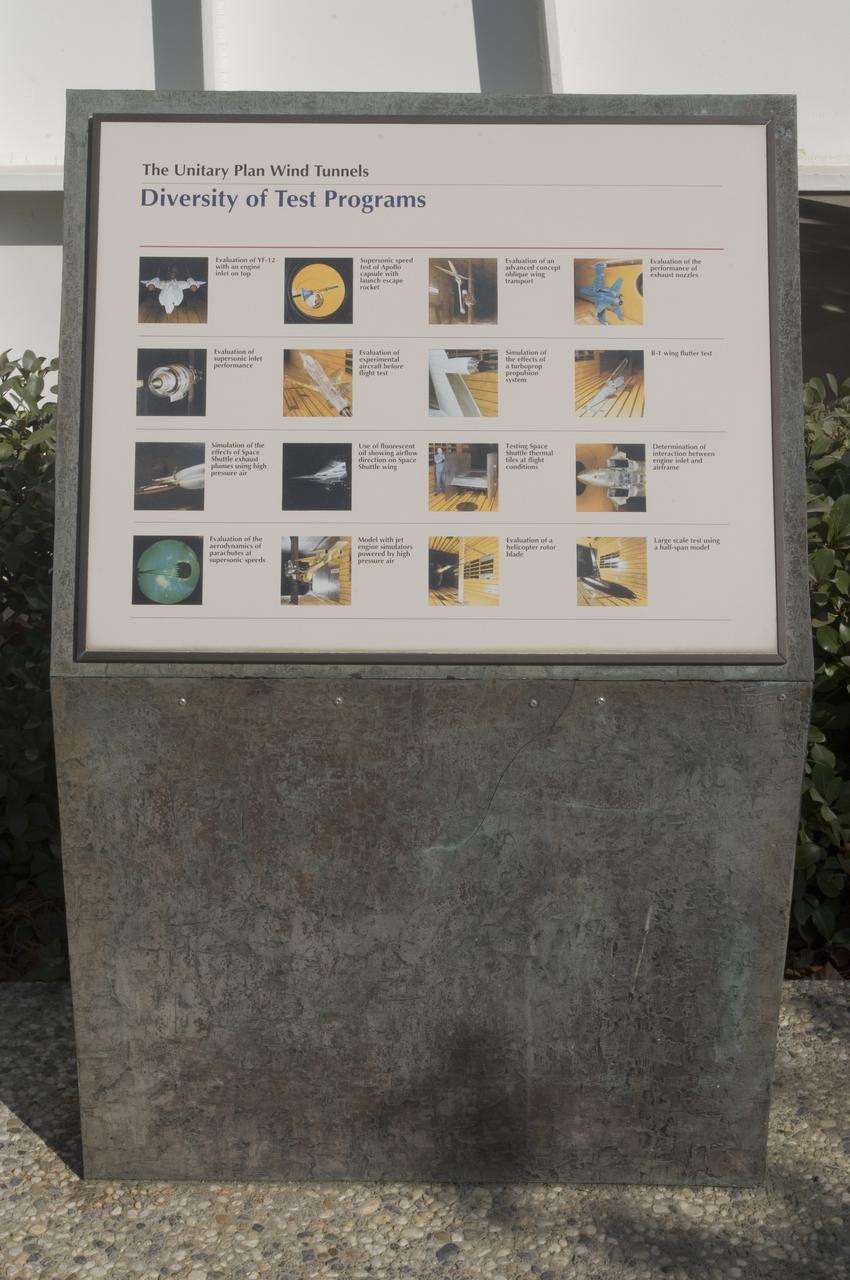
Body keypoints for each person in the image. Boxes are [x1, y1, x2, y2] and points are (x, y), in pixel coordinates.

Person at [141, 263, 206, 316]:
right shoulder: (165, 283)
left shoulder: (163, 299)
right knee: (193, 287)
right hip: (168, 284)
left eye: (174, 272)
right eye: (171, 271)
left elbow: (192, 286)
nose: (172, 273)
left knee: (151, 286)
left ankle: (187, 274)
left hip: (176, 285)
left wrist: (191, 282)